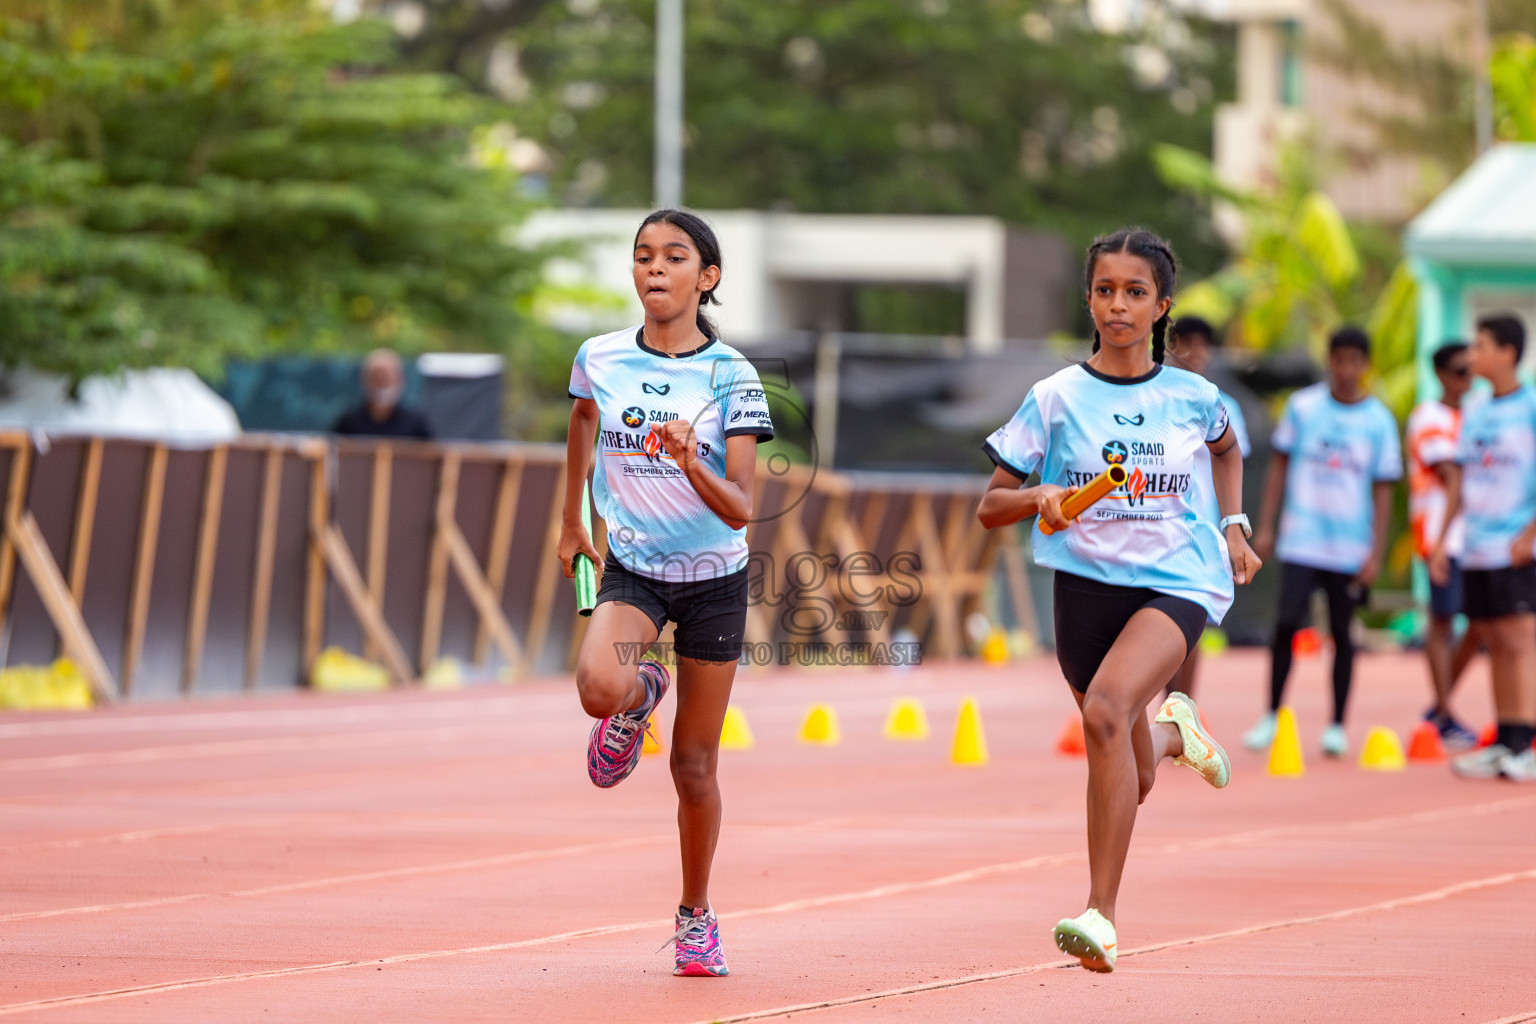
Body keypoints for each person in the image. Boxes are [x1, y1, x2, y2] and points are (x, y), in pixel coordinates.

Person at [977, 227, 1260, 973]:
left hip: (1178, 581)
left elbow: (1229, 449)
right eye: (1105, 290)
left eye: (1136, 293)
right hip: (1084, 589)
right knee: (1129, 774)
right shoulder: (1055, 398)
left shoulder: (1194, 398)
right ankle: (1171, 737)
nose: (1118, 305)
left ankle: (1100, 915)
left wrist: (1232, 525)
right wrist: (1043, 496)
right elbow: (990, 505)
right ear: (1090, 299)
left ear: (1161, 305)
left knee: (1105, 713)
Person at [559, 209, 774, 976]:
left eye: (674, 257)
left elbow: (744, 505)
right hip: (635, 570)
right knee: (596, 687)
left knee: (693, 766)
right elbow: (582, 422)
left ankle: (695, 916)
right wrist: (573, 522)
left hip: (713, 581)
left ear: (705, 278)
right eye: (643, 255)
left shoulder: (734, 377)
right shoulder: (601, 357)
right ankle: (638, 692)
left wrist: (691, 463)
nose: (655, 268)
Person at [1245, 327, 1401, 758]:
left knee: (1342, 633)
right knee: (1286, 624)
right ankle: (1271, 714)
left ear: (1365, 365)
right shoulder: (1303, 407)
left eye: (1355, 360)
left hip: (1348, 548)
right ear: (1329, 361)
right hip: (1302, 540)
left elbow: (1384, 489)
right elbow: (1278, 466)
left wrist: (1376, 550)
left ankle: (1336, 725)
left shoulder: (1378, 421)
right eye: (1339, 359)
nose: (1347, 369)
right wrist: (1268, 525)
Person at [1431, 314, 1536, 782]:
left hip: (1515, 546)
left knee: (1519, 640)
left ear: (1508, 353)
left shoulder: (1531, 405)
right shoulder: (1475, 410)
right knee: (1493, 639)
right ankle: (1506, 738)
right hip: (1476, 545)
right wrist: (1441, 541)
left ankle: (1527, 743)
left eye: (1481, 346)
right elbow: (1465, 480)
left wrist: (1528, 536)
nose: (1472, 356)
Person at [1161, 315, 1252, 699]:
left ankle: (1185, 707)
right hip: (1157, 529)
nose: (1195, 353)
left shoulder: (1220, 404)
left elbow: (1231, 459)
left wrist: (1234, 530)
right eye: (1185, 343)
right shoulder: (1157, 399)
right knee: (1158, 627)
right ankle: (1168, 704)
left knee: (1192, 624)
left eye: (1203, 345)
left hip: (1203, 532)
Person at [1407, 341, 1480, 749]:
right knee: (1443, 620)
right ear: (1439, 374)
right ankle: (1445, 712)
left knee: (1483, 625)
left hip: (1477, 538)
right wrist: (1437, 545)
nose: (1465, 379)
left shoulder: (1476, 415)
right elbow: (1452, 478)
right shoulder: (1428, 417)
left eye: (1470, 370)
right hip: (1440, 535)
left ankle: (1440, 707)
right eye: (1458, 371)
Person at [332, 349, 433, 439]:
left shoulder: (415, 424)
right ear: (364, 380)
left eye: (386, 378)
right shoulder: (348, 423)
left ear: (400, 380)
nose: (381, 384)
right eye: (376, 378)